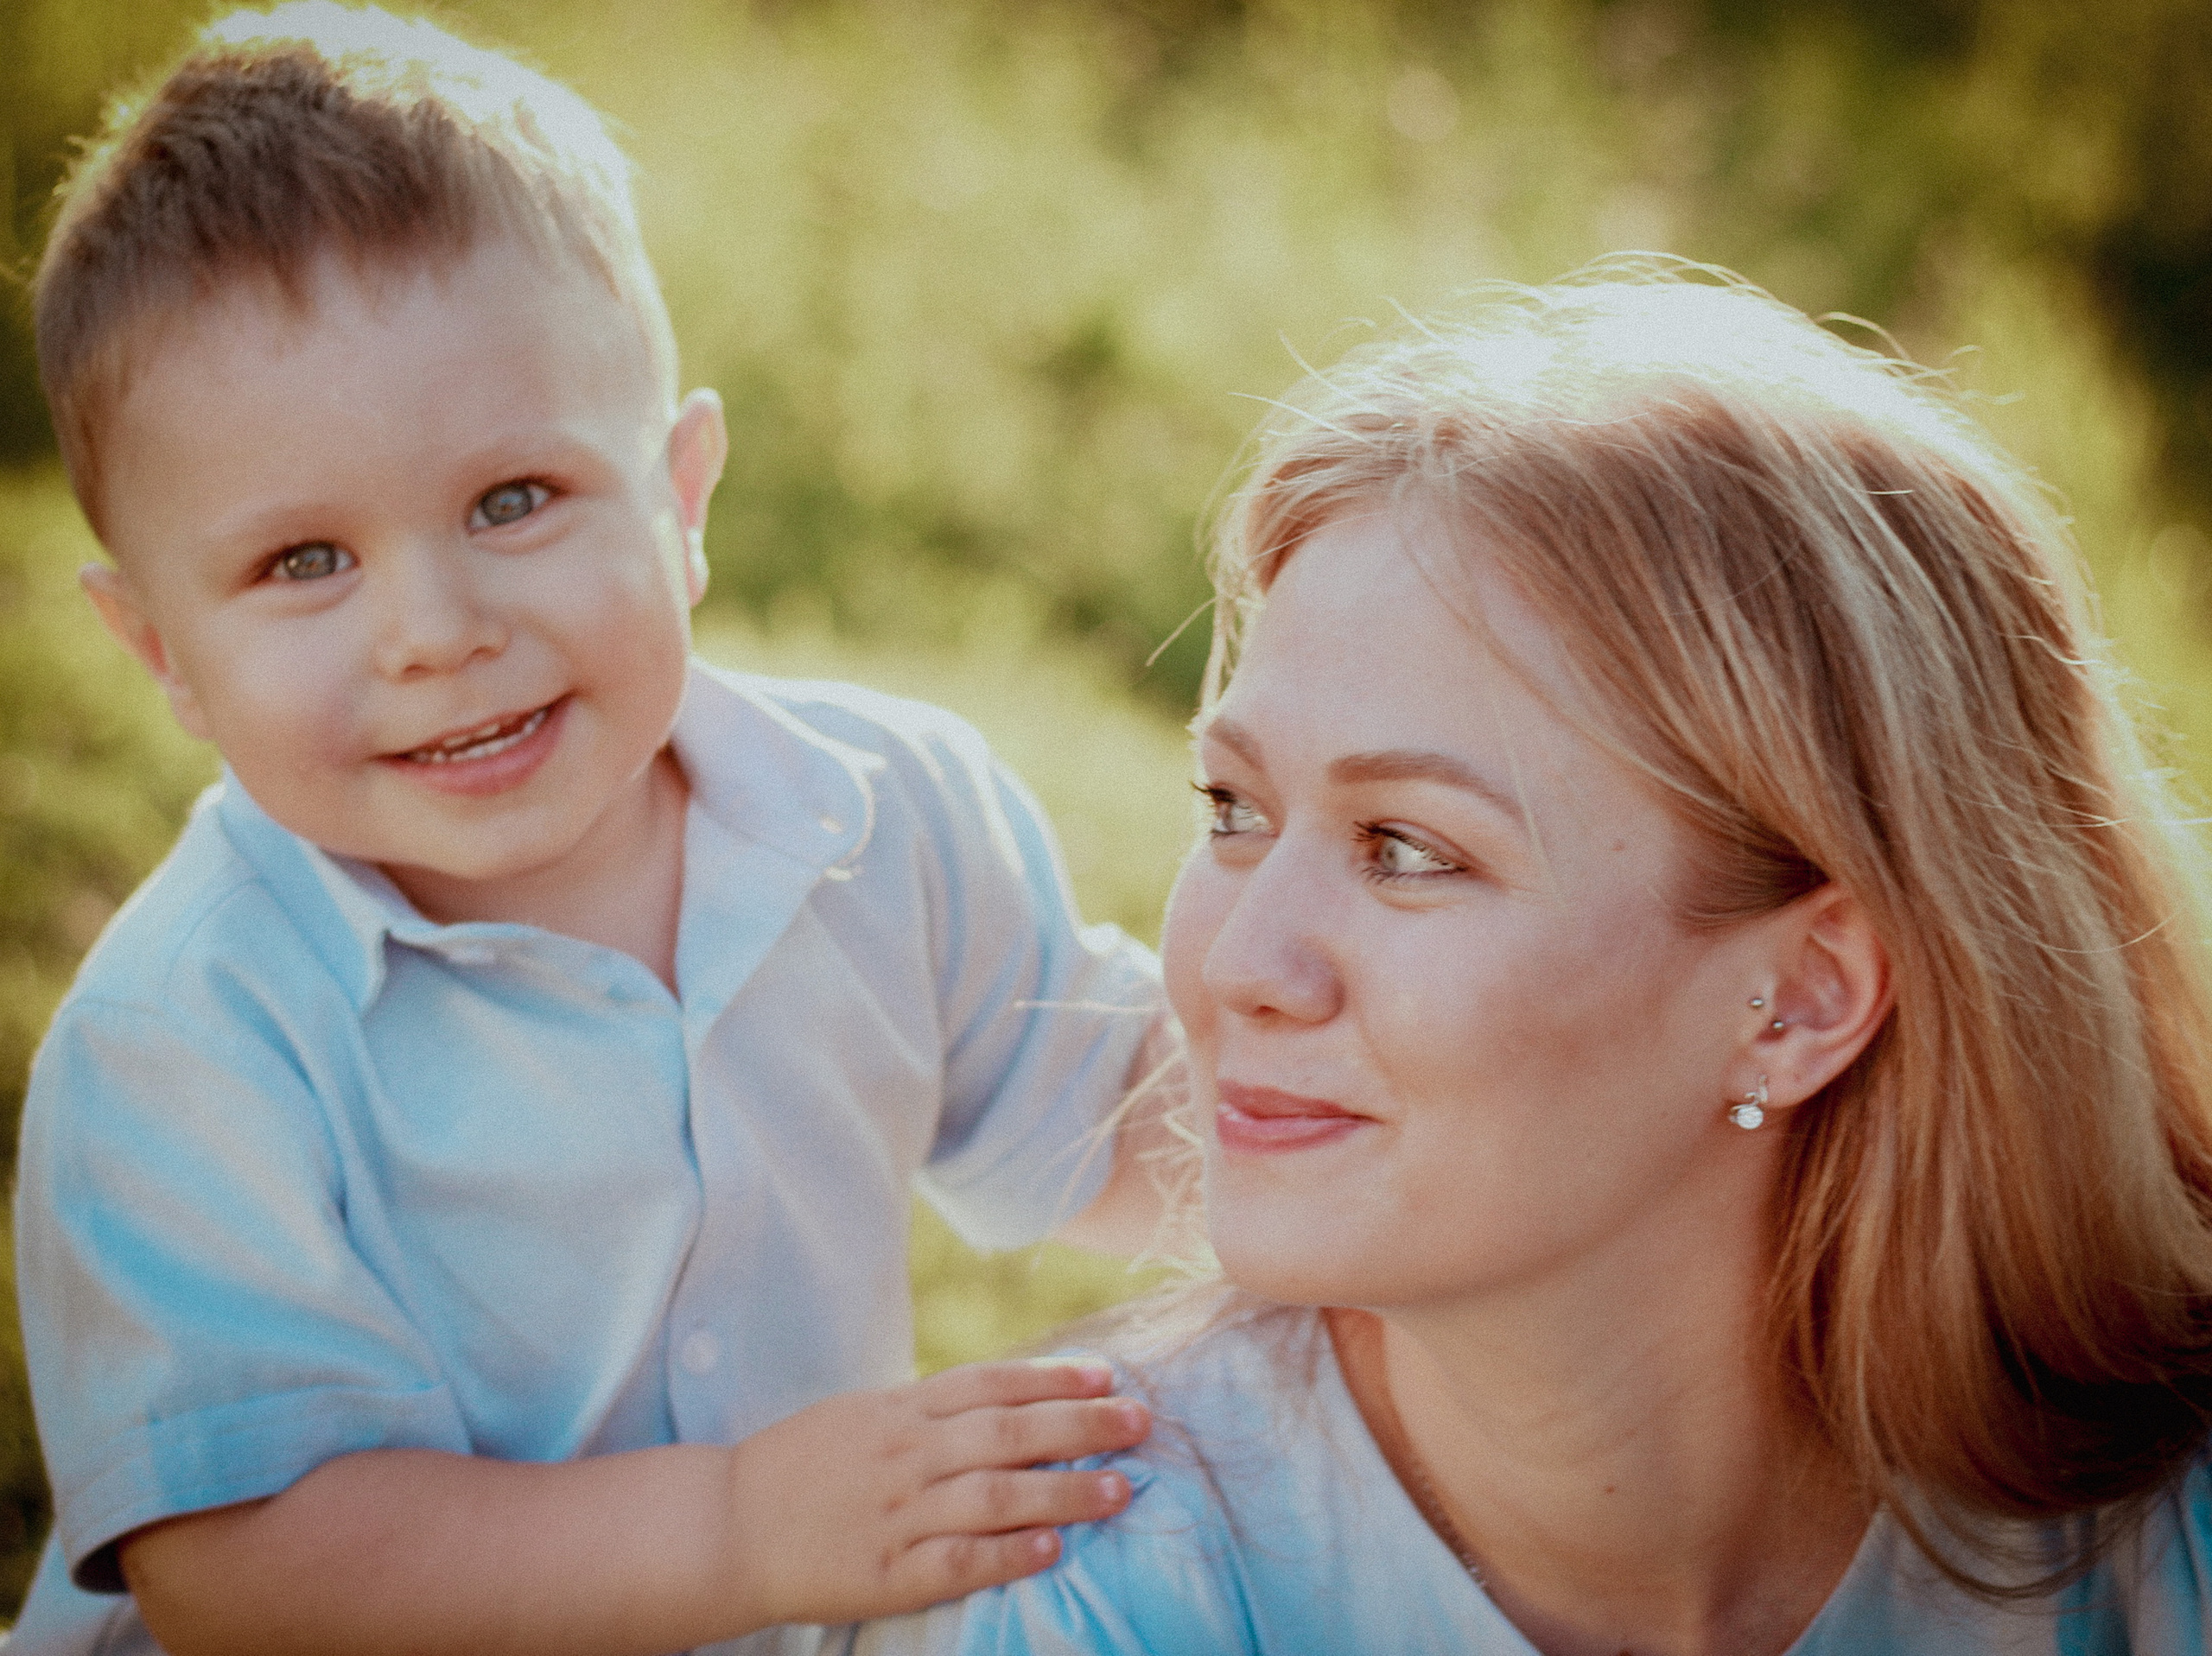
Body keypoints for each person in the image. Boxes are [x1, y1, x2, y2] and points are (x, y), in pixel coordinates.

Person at [13, 7, 1180, 1653]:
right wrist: (742, 1526)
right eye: (302, 563)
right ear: (161, 654)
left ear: (684, 497)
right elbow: (252, 1571)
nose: (433, 627)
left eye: (512, 501)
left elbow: (1111, 1111)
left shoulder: (881, 814)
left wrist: (1418, 1132)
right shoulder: (189, 1041)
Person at [847, 269, 2212, 1654]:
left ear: (1802, 997)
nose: (1238, 964)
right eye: (1235, 811)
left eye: (1410, 848)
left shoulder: (2167, 1531)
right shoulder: (1068, 1588)